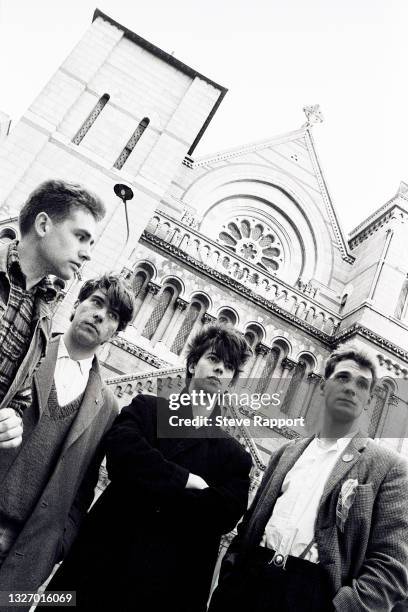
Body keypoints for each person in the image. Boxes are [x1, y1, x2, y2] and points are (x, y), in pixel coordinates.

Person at [45, 323, 253, 611]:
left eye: (228, 366)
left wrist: (150, 481)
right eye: (213, 359)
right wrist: (186, 481)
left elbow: (223, 513)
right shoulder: (146, 409)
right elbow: (123, 456)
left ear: (231, 380)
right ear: (192, 364)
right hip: (100, 568)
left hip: (166, 589)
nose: (219, 370)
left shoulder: (236, 457)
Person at [209, 346, 408, 612]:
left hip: (314, 594)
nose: (351, 388)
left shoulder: (390, 467)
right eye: (343, 377)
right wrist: (229, 585)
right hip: (249, 587)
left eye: (362, 384)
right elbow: (249, 528)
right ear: (324, 386)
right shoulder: (286, 452)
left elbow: (390, 568)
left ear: (370, 400)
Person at [0, 274, 135, 601]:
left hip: (26, 553)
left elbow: (83, 488)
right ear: (77, 305)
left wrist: (56, 546)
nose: (101, 315)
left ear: (114, 333)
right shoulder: (29, 352)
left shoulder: (108, 408)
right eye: (97, 303)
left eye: (113, 315)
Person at [0, 179, 105, 450]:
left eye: (91, 242)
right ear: (44, 225)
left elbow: (18, 398)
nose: (88, 254)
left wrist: (12, 421)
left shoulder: (44, 316)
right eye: (80, 237)